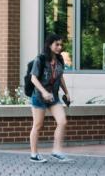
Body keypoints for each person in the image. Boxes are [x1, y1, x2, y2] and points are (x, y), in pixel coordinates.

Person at [27, 33, 72, 163]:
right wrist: (43, 92)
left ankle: (56, 151)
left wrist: (67, 92)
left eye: (61, 44)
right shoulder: (40, 59)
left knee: (62, 121)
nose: (59, 47)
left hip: (53, 97)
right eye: (57, 44)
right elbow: (33, 78)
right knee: (38, 125)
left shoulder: (60, 60)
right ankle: (34, 154)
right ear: (49, 45)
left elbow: (60, 76)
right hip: (39, 97)